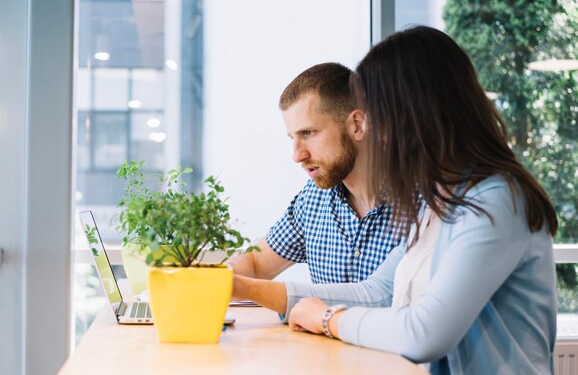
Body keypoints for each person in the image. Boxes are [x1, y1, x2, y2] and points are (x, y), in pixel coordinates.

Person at [233, 26, 558, 374]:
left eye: (377, 114)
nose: (372, 131)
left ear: (415, 112)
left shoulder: (496, 200)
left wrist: (331, 319)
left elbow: (425, 333)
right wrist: (242, 288)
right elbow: (380, 293)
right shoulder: (443, 200)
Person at [230, 62, 404, 284]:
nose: (297, 155)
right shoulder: (314, 198)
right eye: (292, 138)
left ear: (357, 125)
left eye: (308, 133)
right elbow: (255, 264)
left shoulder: (423, 203)